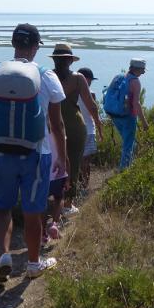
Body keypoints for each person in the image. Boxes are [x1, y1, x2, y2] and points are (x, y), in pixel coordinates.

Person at [0, 24, 66, 282]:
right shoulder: (46, 76)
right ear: (35, 47)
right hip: (37, 153)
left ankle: (4, 256)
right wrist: (62, 158)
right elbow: (57, 124)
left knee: (2, 208)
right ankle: (34, 264)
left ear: (13, 44)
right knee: (33, 211)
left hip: (0, 151)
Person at [48, 44, 102, 216]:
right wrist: (99, 124)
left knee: (51, 162)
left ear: (55, 60)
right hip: (75, 127)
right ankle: (67, 203)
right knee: (74, 163)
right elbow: (91, 106)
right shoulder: (78, 79)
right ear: (70, 60)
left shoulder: (47, 76)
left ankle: (50, 200)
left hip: (52, 127)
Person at [111, 58, 149, 169]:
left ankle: (129, 166)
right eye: (143, 69)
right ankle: (124, 172)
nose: (144, 72)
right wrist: (144, 122)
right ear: (137, 69)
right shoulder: (135, 82)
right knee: (128, 145)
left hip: (115, 114)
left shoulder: (119, 77)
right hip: (128, 117)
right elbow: (136, 104)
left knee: (130, 142)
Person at [77, 67, 101, 188]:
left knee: (76, 159)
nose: (91, 82)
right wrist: (100, 127)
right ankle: (84, 185)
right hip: (89, 130)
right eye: (90, 79)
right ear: (85, 79)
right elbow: (93, 112)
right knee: (86, 160)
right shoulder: (91, 94)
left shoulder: (70, 92)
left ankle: (78, 183)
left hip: (76, 129)